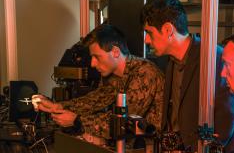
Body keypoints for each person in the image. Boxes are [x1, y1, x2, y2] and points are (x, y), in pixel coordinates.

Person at [140, 0, 234, 153]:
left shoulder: (213, 58)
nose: (146, 40)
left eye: (149, 32)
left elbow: (226, 117)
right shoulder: (172, 61)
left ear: (168, 30)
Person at [35, 24, 164, 144]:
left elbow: (124, 121)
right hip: (130, 145)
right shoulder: (112, 75)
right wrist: (57, 106)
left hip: (153, 149)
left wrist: (78, 122)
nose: (92, 63)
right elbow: (94, 100)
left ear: (115, 52)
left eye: (97, 57)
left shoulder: (144, 73)